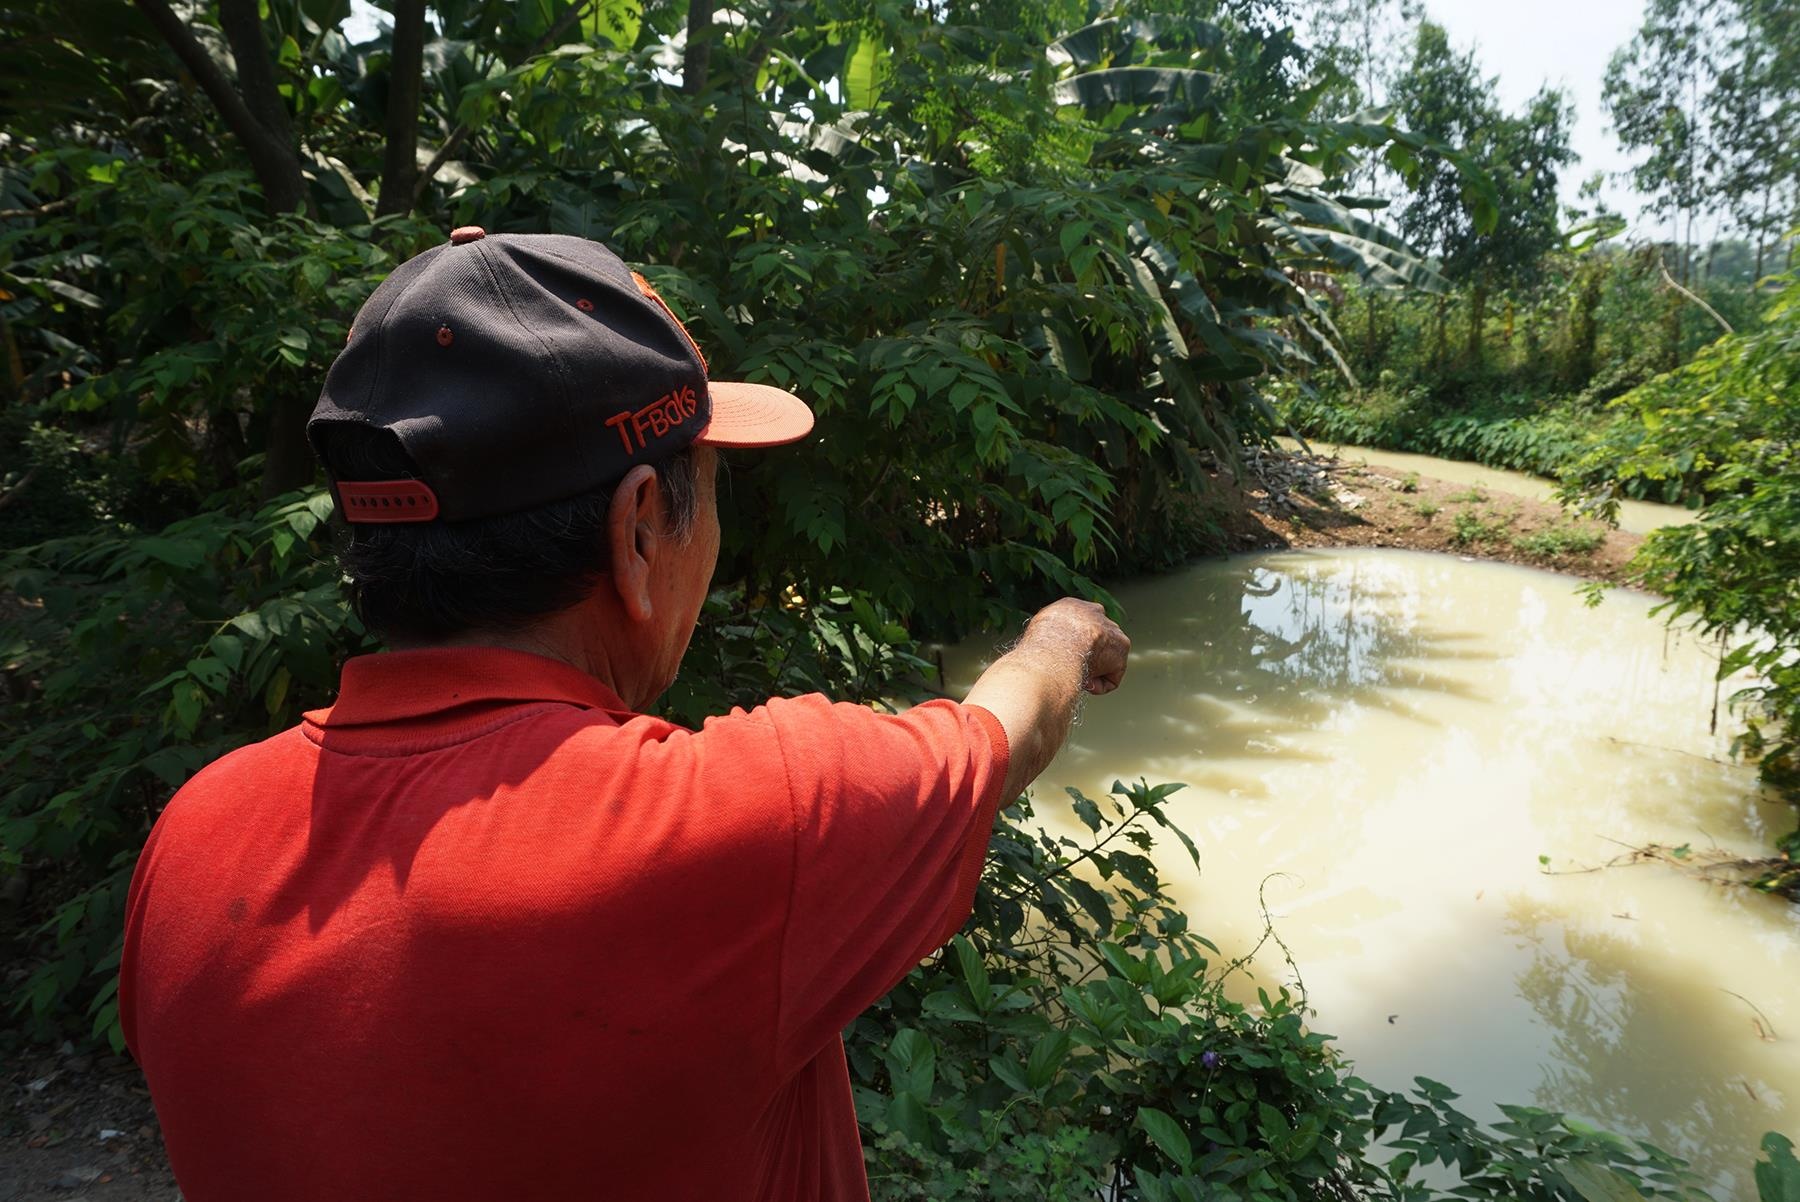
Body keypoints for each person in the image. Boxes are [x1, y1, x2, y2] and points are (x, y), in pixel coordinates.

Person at [119, 229, 1129, 1201]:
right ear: (639, 529)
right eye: (710, 488)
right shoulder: (742, 823)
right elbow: (1005, 733)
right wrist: (1065, 631)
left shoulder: (192, 839)